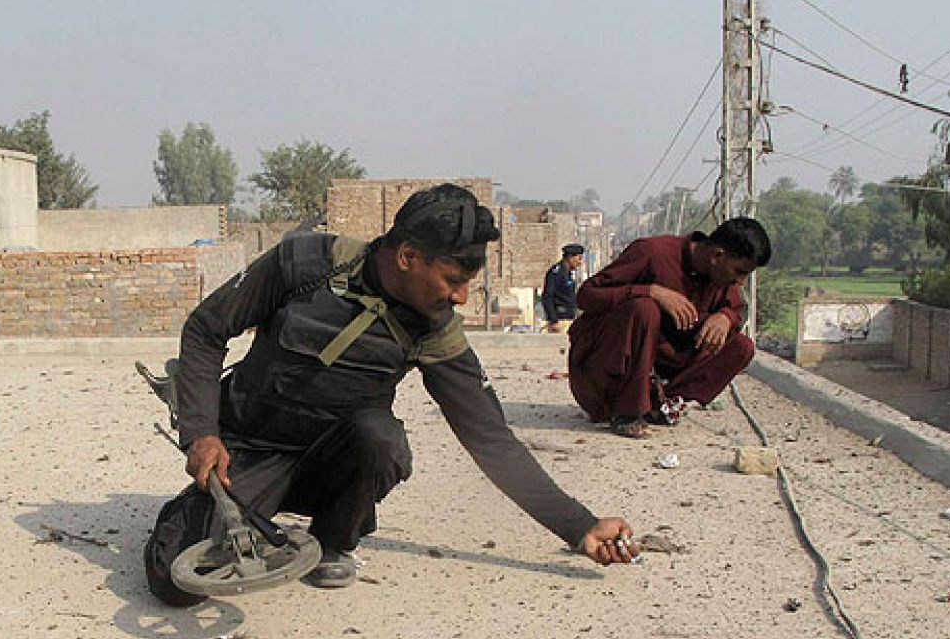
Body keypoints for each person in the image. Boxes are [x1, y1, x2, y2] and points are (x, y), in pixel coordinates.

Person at [143, 184, 639, 607]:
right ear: (406, 258)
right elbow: (207, 330)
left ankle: (334, 540)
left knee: (378, 436)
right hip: (251, 451)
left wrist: (579, 526)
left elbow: (491, 440)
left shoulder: (433, 329)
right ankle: (208, 511)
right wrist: (202, 433)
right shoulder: (305, 265)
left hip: (335, 468)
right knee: (174, 584)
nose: (462, 296)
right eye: (454, 279)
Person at [566, 218, 771, 439]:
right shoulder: (652, 252)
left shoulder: (720, 281)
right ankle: (627, 411)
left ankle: (661, 405)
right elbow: (586, 296)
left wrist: (725, 317)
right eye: (738, 271)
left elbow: (737, 309)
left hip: (658, 375)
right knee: (644, 309)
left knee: (741, 346)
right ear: (717, 256)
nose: (739, 282)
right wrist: (651, 291)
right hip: (601, 377)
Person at [541, 243, 586, 332]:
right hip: (560, 320)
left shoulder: (568, 273)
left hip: (569, 318)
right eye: (579, 258)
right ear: (570, 257)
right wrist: (553, 320)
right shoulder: (556, 272)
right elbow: (547, 296)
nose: (580, 262)